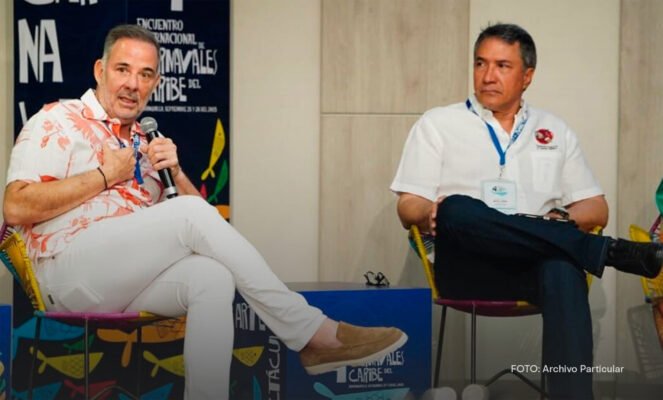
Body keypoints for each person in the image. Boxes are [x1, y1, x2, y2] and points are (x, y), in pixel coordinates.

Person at [2, 24, 407, 399]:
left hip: (119, 279)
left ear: (156, 83)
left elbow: (193, 222)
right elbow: (16, 206)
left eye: (145, 74)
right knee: (189, 217)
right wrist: (106, 175)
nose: (133, 84)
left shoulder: (145, 141)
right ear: (100, 70)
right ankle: (313, 333)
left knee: (212, 277)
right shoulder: (59, 120)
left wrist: (177, 174)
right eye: (123, 69)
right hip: (65, 275)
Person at [390, 23, 663, 400]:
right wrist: (432, 211)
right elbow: (408, 206)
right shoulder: (438, 123)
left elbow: (596, 207)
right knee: (456, 208)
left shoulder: (554, 130)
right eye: (481, 63)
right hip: (466, 267)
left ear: (527, 76)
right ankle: (605, 251)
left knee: (564, 269)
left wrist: (562, 220)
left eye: (502, 65)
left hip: (533, 267)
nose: (488, 76)